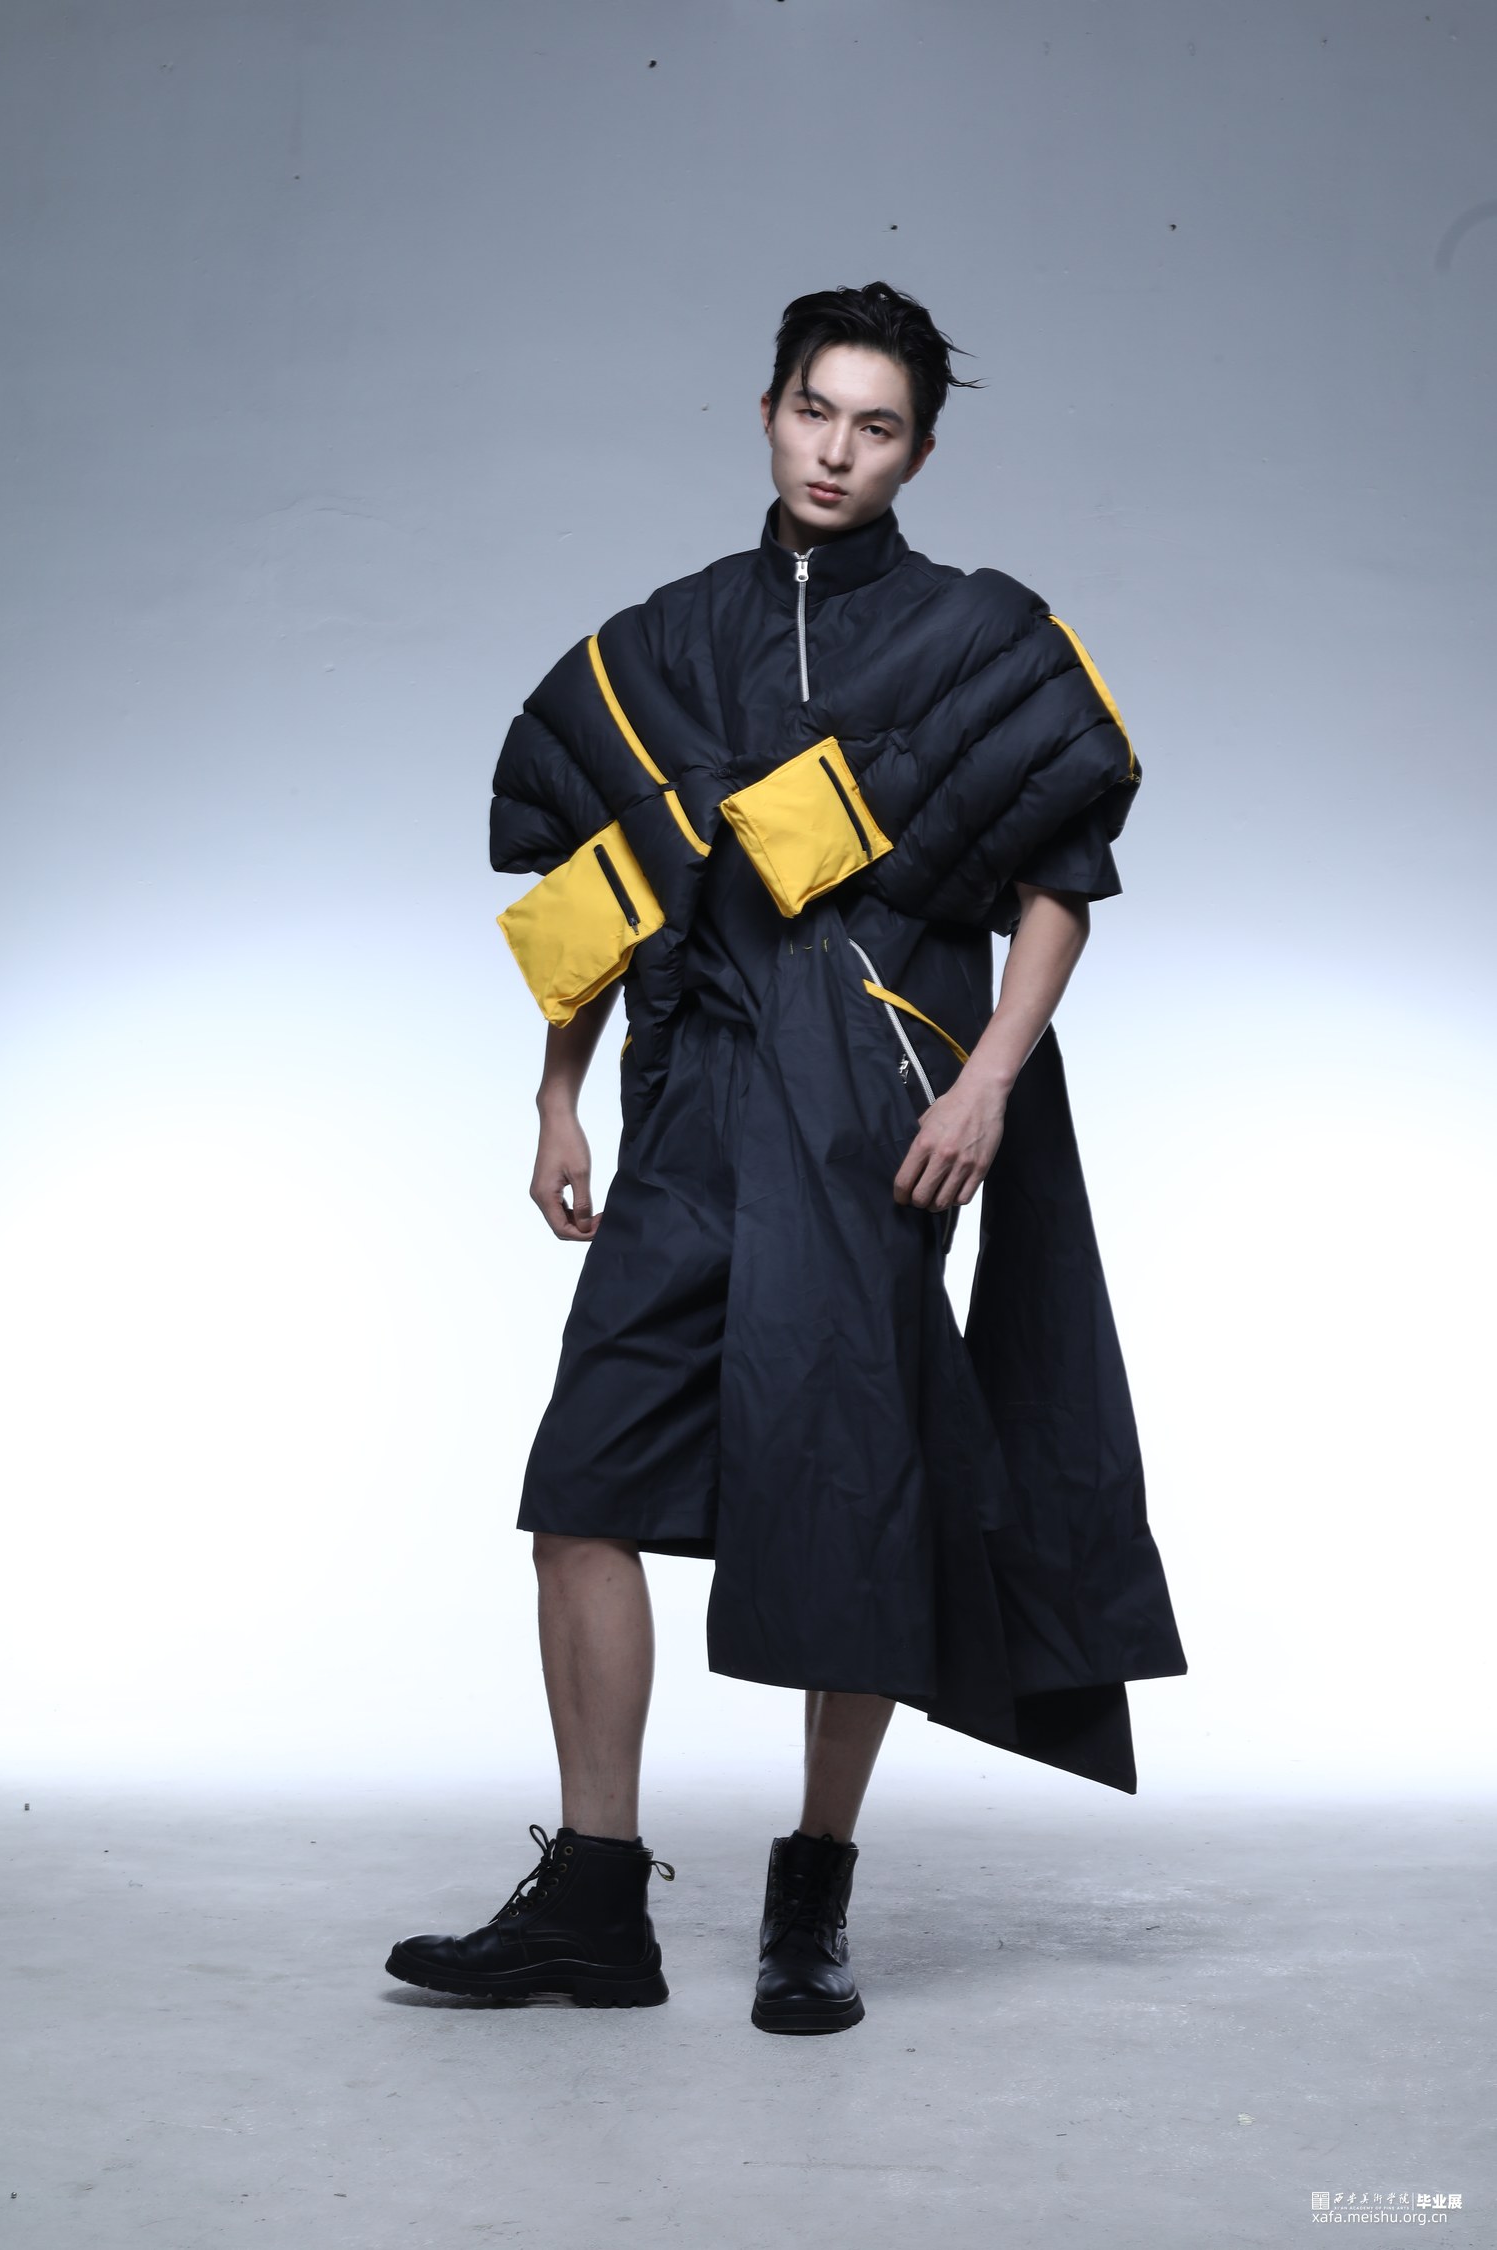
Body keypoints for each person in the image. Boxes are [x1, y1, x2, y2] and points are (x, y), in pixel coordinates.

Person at [385, 282, 1187, 2035]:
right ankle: (595, 1898)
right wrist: (556, 1094)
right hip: (692, 1113)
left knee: (852, 1496)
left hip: (871, 1119)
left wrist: (986, 1082)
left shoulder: (980, 634)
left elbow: (1060, 881)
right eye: (814, 411)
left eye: (876, 426)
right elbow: (601, 885)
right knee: (581, 1487)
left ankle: (812, 1889)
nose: (837, 451)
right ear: (765, 413)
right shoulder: (665, 642)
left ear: (919, 452)